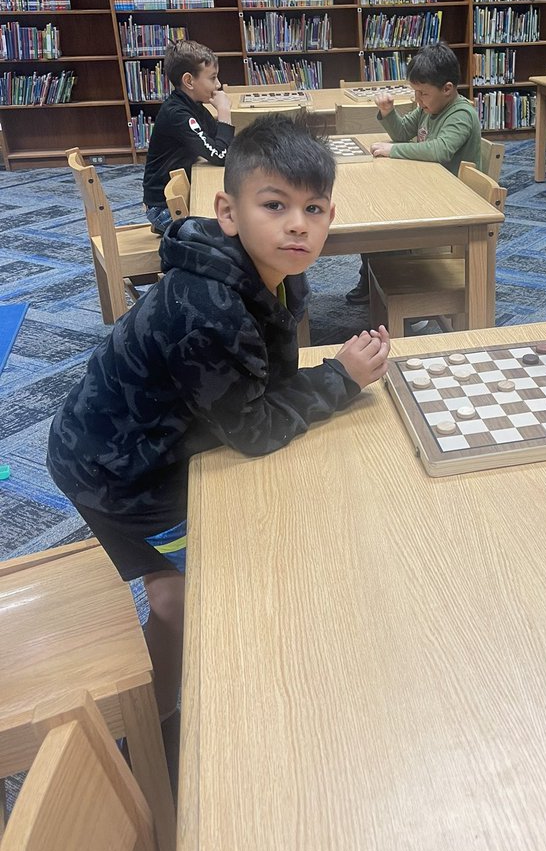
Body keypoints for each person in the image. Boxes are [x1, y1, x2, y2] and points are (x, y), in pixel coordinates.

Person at [48, 115, 391, 771]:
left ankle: (164, 709)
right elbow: (257, 428)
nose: (298, 224)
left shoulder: (274, 270)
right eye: (275, 205)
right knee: (190, 597)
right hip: (118, 474)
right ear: (227, 213)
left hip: (152, 447)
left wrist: (319, 383)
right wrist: (341, 379)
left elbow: (270, 381)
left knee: (229, 559)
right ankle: (152, 729)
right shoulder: (209, 306)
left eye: (313, 209)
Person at [345, 40, 482, 303]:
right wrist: (388, 113)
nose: (418, 100)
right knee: (373, 214)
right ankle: (373, 277)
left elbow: (440, 150)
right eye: (415, 92)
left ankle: (404, 292)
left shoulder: (461, 114)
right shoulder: (428, 109)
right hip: (427, 187)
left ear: (447, 89)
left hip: (454, 201)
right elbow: (403, 132)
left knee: (383, 226)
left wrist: (392, 150)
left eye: (423, 93)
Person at [142, 39, 234, 235]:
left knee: (236, 218)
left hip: (180, 197)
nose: (218, 85)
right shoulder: (178, 114)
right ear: (189, 81)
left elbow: (219, 145)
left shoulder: (194, 106)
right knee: (226, 232)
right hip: (164, 207)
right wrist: (224, 112)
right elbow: (219, 155)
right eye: (212, 78)